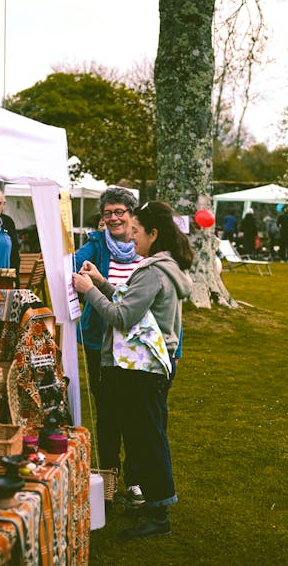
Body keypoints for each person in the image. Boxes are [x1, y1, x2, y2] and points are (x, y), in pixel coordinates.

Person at [72, 200, 192, 540]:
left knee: (149, 440)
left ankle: (159, 514)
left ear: (154, 234)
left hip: (143, 370)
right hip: (149, 369)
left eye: (137, 231)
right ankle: (154, 505)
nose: (132, 237)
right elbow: (134, 305)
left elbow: (122, 317)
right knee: (146, 437)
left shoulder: (153, 271)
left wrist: (89, 292)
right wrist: (101, 282)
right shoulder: (163, 268)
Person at [73, 187, 145, 507]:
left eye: (119, 212)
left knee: (137, 413)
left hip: (139, 345)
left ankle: (136, 479)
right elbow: (68, 269)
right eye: (108, 213)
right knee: (107, 411)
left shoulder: (144, 245)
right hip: (100, 342)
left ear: (131, 215)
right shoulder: (95, 245)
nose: (113, 218)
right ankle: (109, 478)